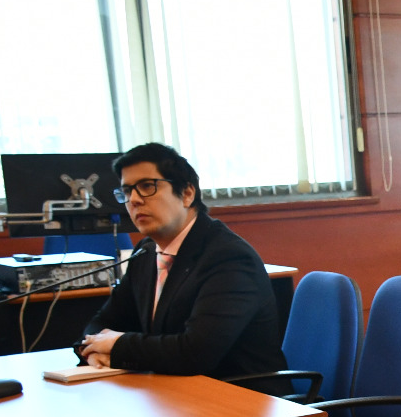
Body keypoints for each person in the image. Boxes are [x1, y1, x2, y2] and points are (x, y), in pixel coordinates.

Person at [78, 143, 287, 392]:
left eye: (147, 186)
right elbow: (103, 323)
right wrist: (92, 350)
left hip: (243, 400)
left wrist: (116, 346)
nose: (134, 199)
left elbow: (195, 352)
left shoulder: (229, 257)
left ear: (187, 194)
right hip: (175, 394)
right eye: (126, 191)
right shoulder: (146, 252)